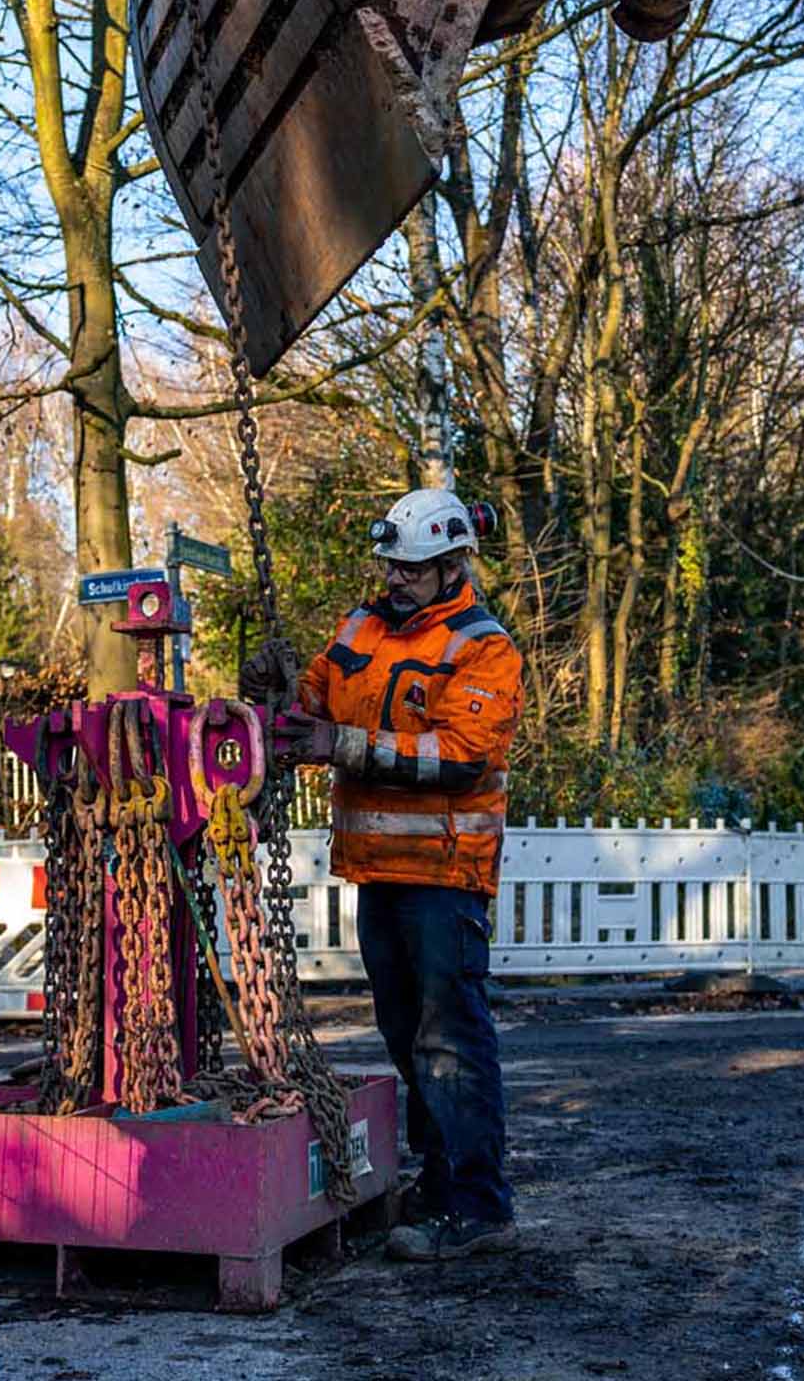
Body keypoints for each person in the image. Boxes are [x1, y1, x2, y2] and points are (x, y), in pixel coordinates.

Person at [241, 487, 524, 1261]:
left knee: (451, 1038)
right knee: (408, 1033)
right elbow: (309, 716)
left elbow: (461, 757)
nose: (396, 581)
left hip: (443, 872)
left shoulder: (482, 647)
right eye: (392, 567)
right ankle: (439, 1185)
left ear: (452, 565)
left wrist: (346, 745)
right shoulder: (362, 627)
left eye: (414, 570)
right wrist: (268, 694)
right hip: (380, 872)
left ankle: (479, 1205)